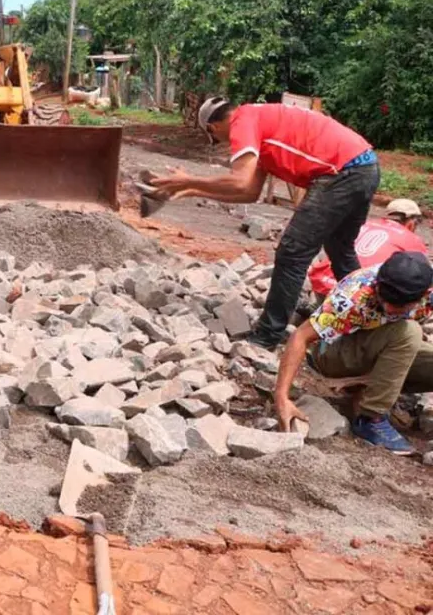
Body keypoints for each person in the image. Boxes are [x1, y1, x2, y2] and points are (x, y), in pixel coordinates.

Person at [152, 97, 380, 349]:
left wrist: (188, 180)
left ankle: (268, 335)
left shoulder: (242, 121)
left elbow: (239, 181)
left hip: (342, 172)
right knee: (340, 248)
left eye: (217, 139)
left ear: (213, 127)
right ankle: (367, 316)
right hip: (364, 165)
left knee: (292, 251)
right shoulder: (260, 124)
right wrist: (194, 190)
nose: (226, 144)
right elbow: (249, 192)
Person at [275, 251, 433, 454]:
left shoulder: (428, 292)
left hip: (385, 346)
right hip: (332, 352)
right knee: (409, 331)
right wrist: (282, 398)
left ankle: (368, 386)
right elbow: (300, 336)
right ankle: (370, 417)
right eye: (385, 299)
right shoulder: (353, 295)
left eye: (399, 306)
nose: (388, 307)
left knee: (408, 335)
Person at [308, 199, 426, 296]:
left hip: (321, 283)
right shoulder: (412, 239)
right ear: (411, 223)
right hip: (358, 295)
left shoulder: (363, 224)